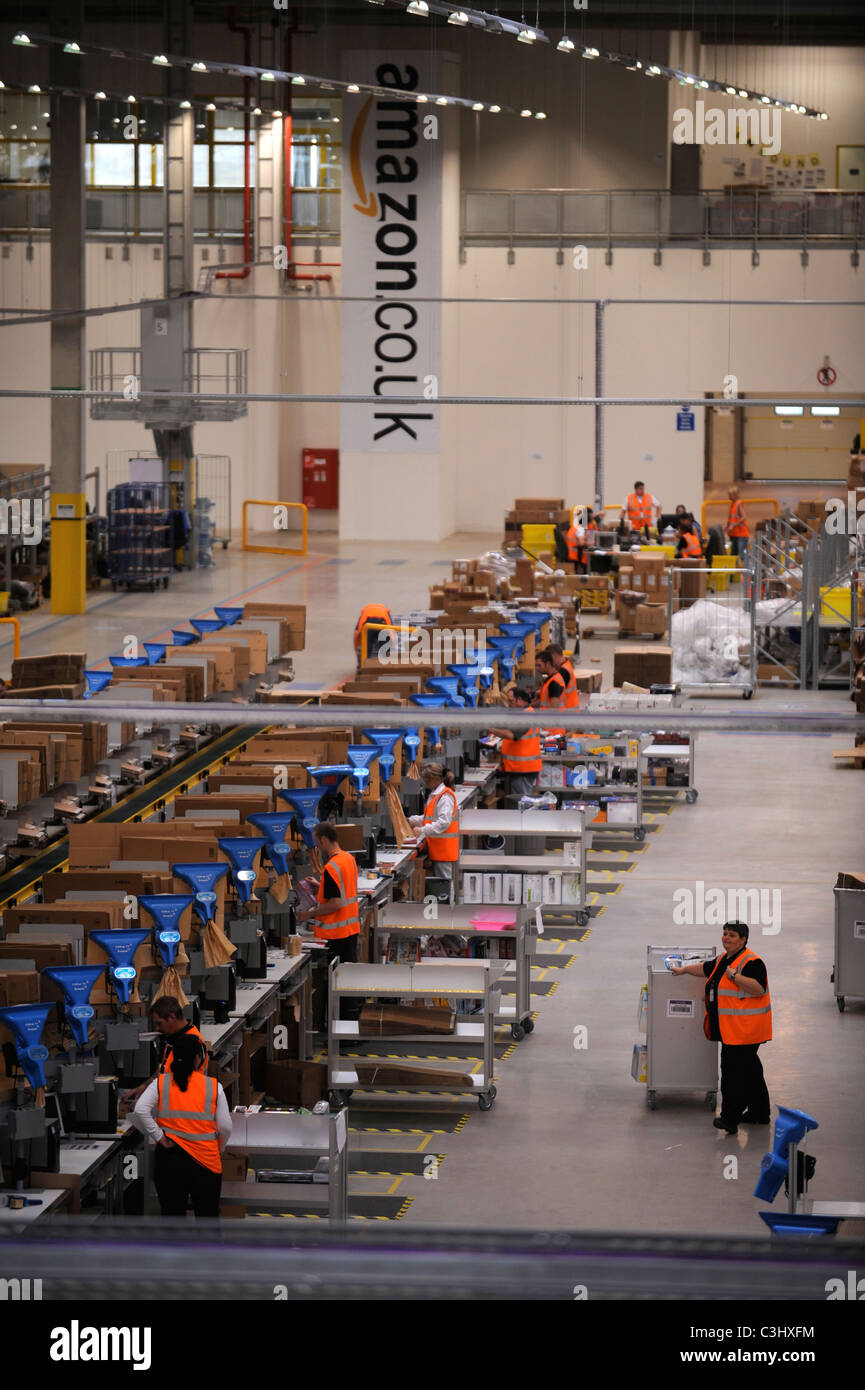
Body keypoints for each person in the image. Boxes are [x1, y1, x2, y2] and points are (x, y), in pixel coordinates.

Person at [672, 922, 771, 1135]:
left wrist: (734, 976)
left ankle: (729, 1119)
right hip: (734, 1029)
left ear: (743, 939)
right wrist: (684, 970)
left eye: (732, 935)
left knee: (732, 1074)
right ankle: (759, 1113)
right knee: (751, 1071)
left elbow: (759, 988)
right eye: (725, 934)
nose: (726, 938)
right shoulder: (723, 960)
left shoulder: (752, 961)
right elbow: (705, 969)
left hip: (743, 1031)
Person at [133, 1033, 232, 1218]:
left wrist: (159, 1137)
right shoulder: (213, 1086)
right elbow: (226, 1126)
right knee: (208, 1218)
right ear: (197, 1058)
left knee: (172, 1219)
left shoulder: (161, 1083)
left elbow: (140, 1110)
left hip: (169, 1159)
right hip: (205, 1161)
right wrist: (220, 1147)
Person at [122, 996, 207, 1106]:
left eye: (159, 1023)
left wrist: (146, 1101)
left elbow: (177, 1079)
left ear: (172, 1017)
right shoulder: (175, 1037)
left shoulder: (191, 1042)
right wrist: (144, 1086)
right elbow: (164, 1069)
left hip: (182, 1105)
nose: (157, 1028)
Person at [407, 762, 460, 895]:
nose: (425, 782)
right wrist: (412, 820)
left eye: (427, 779)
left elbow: (443, 822)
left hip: (444, 850)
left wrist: (422, 830)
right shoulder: (436, 794)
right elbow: (429, 817)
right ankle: (447, 910)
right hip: (439, 848)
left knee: (445, 887)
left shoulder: (445, 796)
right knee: (443, 885)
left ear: (436, 778)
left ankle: (449, 912)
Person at [487, 686, 542, 798]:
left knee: (522, 803)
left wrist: (488, 728)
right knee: (520, 802)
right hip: (519, 768)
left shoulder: (526, 716)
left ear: (520, 700)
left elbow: (510, 735)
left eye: (511, 701)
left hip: (523, 769)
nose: (509, 704)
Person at [535, 648, 567, 735]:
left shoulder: (554, 682)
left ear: (548, 664)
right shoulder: (551, 680)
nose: (537, 669)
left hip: (553, 732)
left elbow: (554, 709)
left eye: (539, 665)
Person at [353, 603, 393, 668]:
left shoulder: (364, 612)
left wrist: (355, 647)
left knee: (365, 651)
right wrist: (390, 644)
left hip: (368, 626)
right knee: (385, 650)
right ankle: (385, 666)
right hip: (382, 625)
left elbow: (356, 632)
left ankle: (363, 667)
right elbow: (391, 629)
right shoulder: (385, 611)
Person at [547, 643, 581, 711]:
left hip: (567, 711)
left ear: (554, 656)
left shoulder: (563, 671)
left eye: (549, 659)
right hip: (571, 710)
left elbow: (555, 692)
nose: (549, 662)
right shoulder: (566, 664)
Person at [726, 487, 750, 559]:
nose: (729, 496)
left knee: (742, 555)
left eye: (730, 495)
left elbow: (744, 517)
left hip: (741, 534)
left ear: (735, 495)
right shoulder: (733, 504)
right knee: (733, 555)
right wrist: (727, 527)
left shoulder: (738, 504)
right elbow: (732, 518)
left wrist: (733, 525)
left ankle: (747, 568)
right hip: (734, 534)